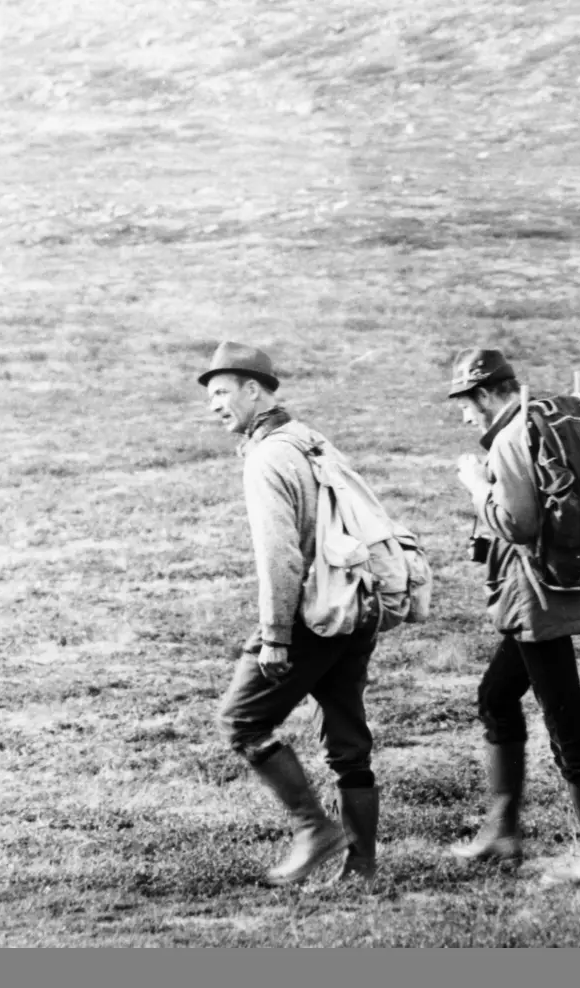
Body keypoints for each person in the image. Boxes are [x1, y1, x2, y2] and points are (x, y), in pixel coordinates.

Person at [446, 347, 580, 886]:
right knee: (496, 697)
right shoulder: (549, 417)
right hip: (553, 583)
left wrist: (475, 484)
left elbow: (518, 523)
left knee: (566, 721)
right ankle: (503, 832)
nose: (464, 415)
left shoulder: (508, 439)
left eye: (465, 402)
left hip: (535, 594)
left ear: (486, 394)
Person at [199, 340, 380, 887]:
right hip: (353, 602)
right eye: (210, 395)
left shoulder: (269, 455)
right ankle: (363, 870)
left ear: (254, 391)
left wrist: (276, 637)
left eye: (223, 392)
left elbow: (281, 557)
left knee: (242, 720)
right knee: (347, 736)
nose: (214, 405)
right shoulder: (309, 438)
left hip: (309, 613)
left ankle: (313, 829)